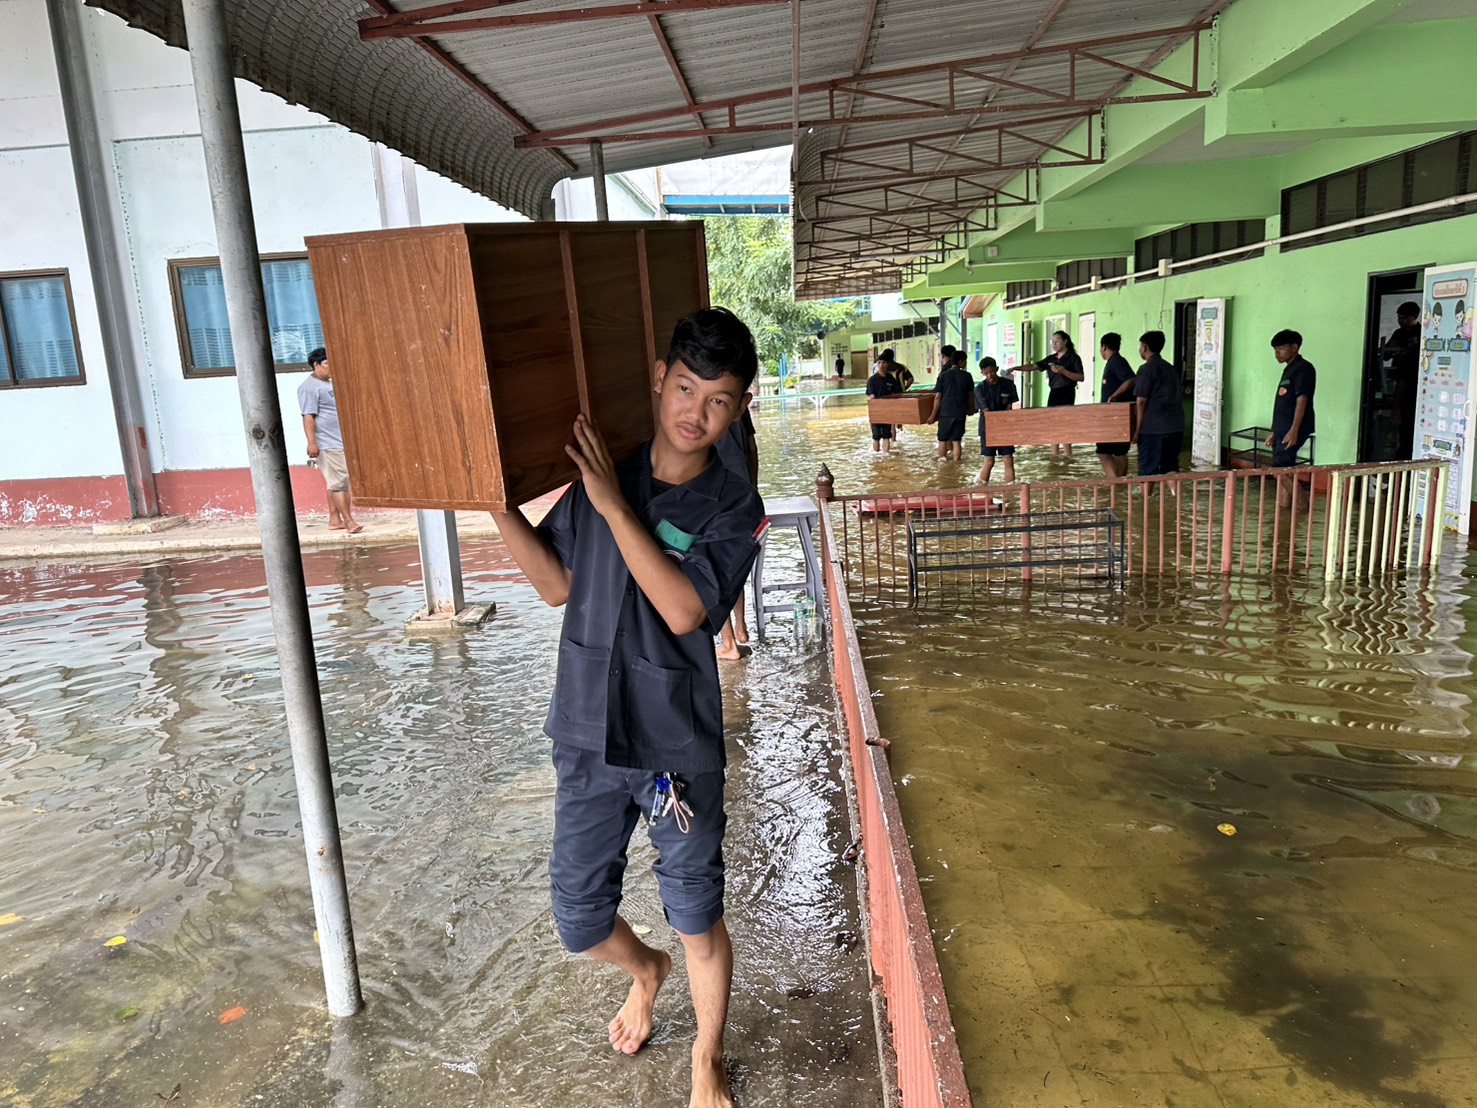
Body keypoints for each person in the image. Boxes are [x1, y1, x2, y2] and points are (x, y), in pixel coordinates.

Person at [488, 307, 763, 1108]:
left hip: (674, 743)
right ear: (658, 378)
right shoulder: (606, 471)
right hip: (586, 730)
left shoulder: (731, 506)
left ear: (739, 408)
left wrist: (612, 505)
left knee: (695, 913)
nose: (695, 413)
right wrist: (492, 502)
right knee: (578, 919)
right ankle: (645, 971)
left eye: (717, 400)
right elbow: (555, 584)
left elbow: (684, 611)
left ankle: (706, 1058)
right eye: (685, 389)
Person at [297, 347, 362, 534]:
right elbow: (308, 416)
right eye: (327, 363)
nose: (331, 367)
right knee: (340, 483)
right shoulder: (309, 388)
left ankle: (335, 520)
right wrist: (312, 443)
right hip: (328, 443)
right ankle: (349, 521)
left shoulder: (329, 383)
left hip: (339, 441)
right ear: (316, 365)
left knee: (335, 482)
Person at [715, 407, 759, 661]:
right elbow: (752, 449)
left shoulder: (698, 408)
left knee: (715, 569)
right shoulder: (739, 404)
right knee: (735, 564)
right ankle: (741, 627)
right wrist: (753, 488)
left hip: (714, 494)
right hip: (743, 492)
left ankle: (728, 642)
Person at [1266, 328, 1316, 508]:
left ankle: (1303, 509)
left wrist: (1294, 430)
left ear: (1294, 347)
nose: (1277, 353)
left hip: (1293, 429)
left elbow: (1302, 399)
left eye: (1281, 348)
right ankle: (1284, 511)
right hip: (1283, 429)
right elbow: (1284, 403)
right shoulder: (1289, 369)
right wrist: (1275, 431)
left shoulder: (1303, 368)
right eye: (1275, 350)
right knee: (1284, 471)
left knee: (1280, 471)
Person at [1131, 331, 1183, 478]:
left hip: (1153, 428)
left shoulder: (1146, 369)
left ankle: (1146, 494)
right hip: (1175, 426)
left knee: (1147, 470)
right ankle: (1175, 493)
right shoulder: (1171, 368)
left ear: (1145, 347)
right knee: (1171, 468)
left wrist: (1137, 430)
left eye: (1141, 346)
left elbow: (1141, 402)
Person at [1095, 333, 1137, 479]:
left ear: (1104, 347)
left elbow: (1131, 380)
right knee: (1120, 452)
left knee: (1103, 451)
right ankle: (1121, 483)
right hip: (1119, 415)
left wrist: (1114, 396)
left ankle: (1114, 482)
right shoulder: (1116, 361)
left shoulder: (1116, 362)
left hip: (1114, 416)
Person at [1037, 330, 1084, 458]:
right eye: (1052, 341)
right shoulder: (1051, 359)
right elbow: (1034, 366)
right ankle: (1054, 455)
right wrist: (1016, 368)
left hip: (1067, 392)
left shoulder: (1073, 358)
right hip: (1054, 392)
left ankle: (1068, 455)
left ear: (1065, 341)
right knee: (1052, 424)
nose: (1054, 344)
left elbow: (1080, 377)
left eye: (1057, 341)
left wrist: (1063, 371)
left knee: (1065, 424)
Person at [1382, 301, 1421, 458]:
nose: (1401, 321)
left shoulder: (1422, 333)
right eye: (1399, 317)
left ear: (1414, 317)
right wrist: (1391, 347)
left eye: (1404, 318)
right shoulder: (1398, 333)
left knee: (1407, 425)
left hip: (1412, 381)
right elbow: (1385, 356)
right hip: (1395, 380)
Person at [974, 357, 1019, 485]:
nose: (990, 375)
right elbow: (986, 411)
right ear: (982, 373)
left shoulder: (1008, 385)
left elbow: (1010, 407)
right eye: (986, 373)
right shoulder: (979, 389)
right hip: (988, 428)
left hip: (1005, 427)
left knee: (1008, 459)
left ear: (997, 369)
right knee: (989, 461)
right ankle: (982, 490)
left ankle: (1011, 489)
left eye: (992, 372)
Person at [928, 348, 975, 462]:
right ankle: (956, 464)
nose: (966, 363)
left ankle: (942, 464)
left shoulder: (943, 376)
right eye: (965, 361)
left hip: (945, 413)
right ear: (960, 361)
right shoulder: (967, 376)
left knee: (942, 440)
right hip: (960, 413)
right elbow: (970, 396)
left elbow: (938, 397)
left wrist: (933, 415)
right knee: (956, 441)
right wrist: (971, 409)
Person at [867, 353, 900, 453]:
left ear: (887, 364)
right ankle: (876, 455)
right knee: (876, 436)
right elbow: (871, 396)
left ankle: (886, 456)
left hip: (887, 411)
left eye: (884, 363)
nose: (881, 365)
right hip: (876, 411)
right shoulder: (872, 380)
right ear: (876, 364)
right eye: (879, 363)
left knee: (886, 435)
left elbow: (896, 394)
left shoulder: (891, 378)